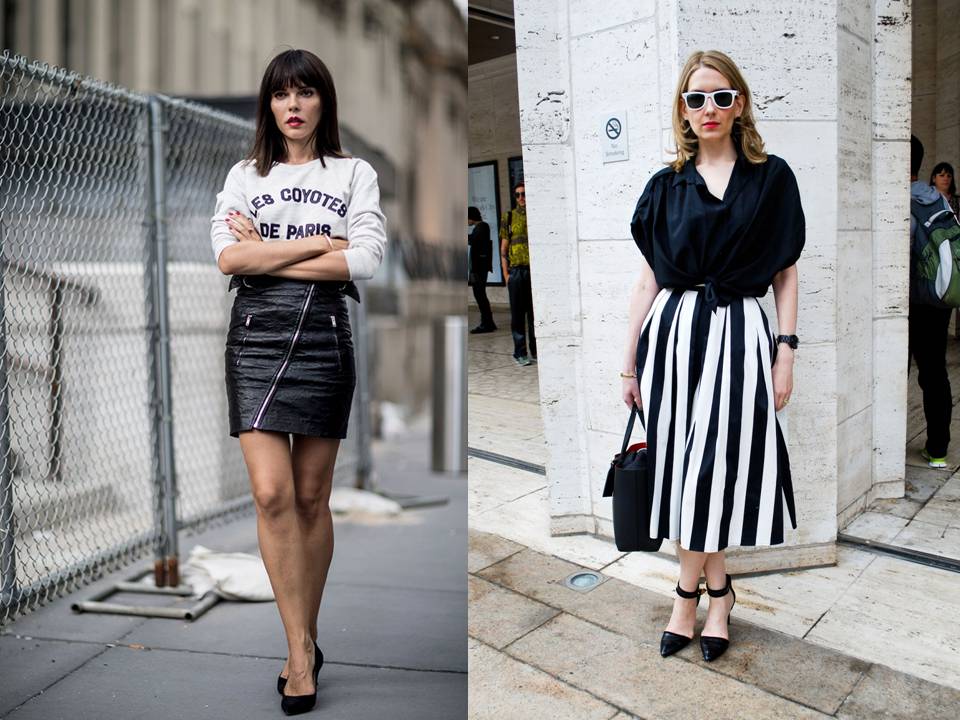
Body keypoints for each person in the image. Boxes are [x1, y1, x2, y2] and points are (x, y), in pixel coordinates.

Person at [210, 48, 386, 716]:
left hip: (323, 339)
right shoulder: (243, 177)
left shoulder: (353, 172)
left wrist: (271, 254)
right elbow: (229, 256)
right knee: (271, 491)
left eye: (305, 92)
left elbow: (365, 260)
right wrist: (323, 246)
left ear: (322, 102)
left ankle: (307, 637)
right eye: (282, 93)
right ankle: (296, 652)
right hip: (254, 338)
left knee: (313, 497)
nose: (293, 105)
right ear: (269, 105)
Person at [622, 50, 803, 662]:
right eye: (696, 98)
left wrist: (785, 350)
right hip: (674, 338)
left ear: (740, 103)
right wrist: (628, 363)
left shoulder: (771, 177)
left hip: (741, 335)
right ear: (682, 107)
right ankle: (715, 592)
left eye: (721, 96)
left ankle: (689, 596)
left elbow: (785, 272)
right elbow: (648, 280)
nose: (709, 109)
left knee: (714, 471)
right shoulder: (664, 185)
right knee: (683, 471)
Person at [909, 136, 953, 468]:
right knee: (935, 372)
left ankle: (885, 451)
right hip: (938, 299)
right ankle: (938, 450)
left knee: (895, 372)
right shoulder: (938, 199)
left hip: (909, 302)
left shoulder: (900, 201)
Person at [500, 181, 537, 365]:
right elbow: (503, 250)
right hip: (516, 272)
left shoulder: (535, 215)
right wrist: (506, 275)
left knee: (534, 314)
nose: (521, 197)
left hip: (533, 272)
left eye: (524, 194)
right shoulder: (509, 217)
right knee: (517, 315)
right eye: (518, 194)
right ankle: (520, 353)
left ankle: (536, 351)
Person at [468, 205, 496, 333]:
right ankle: (488, 322)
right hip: (478, 268)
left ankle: (487, 324)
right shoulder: (479, 228)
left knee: (480, 296)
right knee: (480, 295)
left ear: (471, 217)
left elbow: (474, 240)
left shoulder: (482, 227)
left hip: (479, 269)